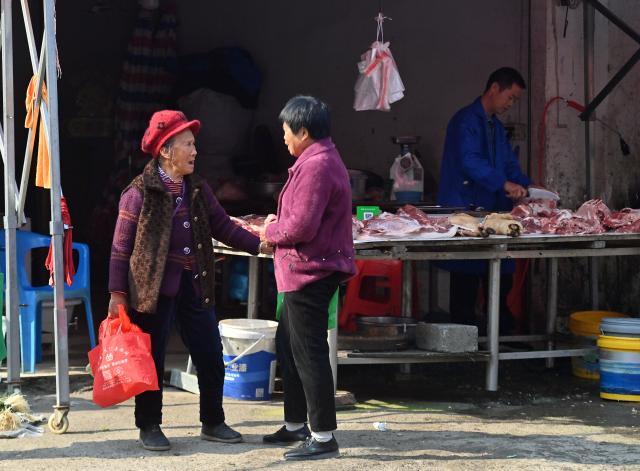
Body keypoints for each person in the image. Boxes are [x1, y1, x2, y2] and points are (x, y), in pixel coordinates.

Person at [108, 109, 271, 451]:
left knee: (210, 352)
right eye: (188, 144)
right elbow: (121, 249)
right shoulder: (139, 193)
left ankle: (213, 421)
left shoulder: (196, 188)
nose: (195, 151)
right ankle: (149, 425)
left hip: (193, 284)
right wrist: (117, 294)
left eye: (194, 144)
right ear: (166, 150)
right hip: (152, 291)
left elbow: (223, 226)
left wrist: (260, 245)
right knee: (151, 358)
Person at [260, 96, 356, 461]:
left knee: (309, 352)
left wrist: (271, 231)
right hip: (303, 270)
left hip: (311, 271)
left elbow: (301, 225)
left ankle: (323, 435)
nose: (283, 137)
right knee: (288, 345)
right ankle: (296, 424)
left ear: (303, 130)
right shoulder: (316, 159)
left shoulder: (317, 165)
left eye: (286, 130)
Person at [437, 67, 531, 334]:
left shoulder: (496, 128)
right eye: (510, 97)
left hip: (493, 214)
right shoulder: (464, 121)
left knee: (501, 279)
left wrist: (526, 185)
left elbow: (509, 164)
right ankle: (462, 345)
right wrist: (503, 184)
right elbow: (470, 162)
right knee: (465, 283)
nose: (511, 104)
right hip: (465, 210)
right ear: (494, 89)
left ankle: (497, 340)